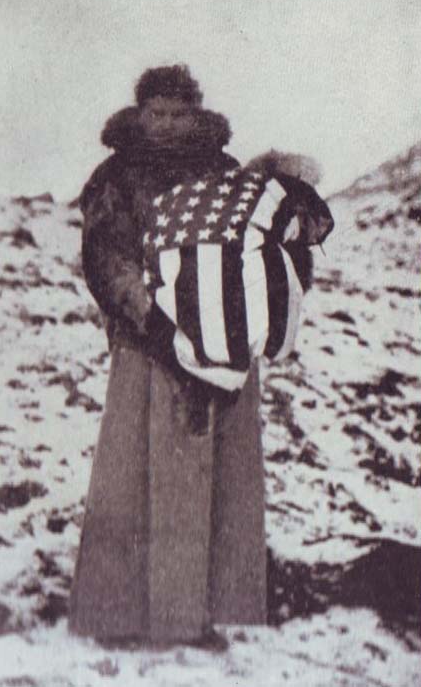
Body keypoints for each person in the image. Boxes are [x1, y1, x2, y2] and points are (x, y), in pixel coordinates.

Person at [68, 64, 268, 650]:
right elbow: (105, 254)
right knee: (132, 481)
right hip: (147, 345)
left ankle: (191, 618)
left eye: (180, 112)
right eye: (158, 112)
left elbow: (254, 249)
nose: (169, 123)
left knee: (205, 485)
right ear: (140, 113)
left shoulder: (227, 174)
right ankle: (117, 617)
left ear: (197, 113)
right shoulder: (117, 175)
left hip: (219, 348)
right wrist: (152, 318)